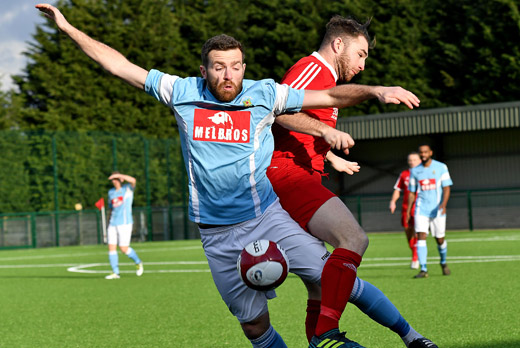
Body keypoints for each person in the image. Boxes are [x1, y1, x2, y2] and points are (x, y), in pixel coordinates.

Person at [36, 4, 418, 347]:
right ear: (204, 70)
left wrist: (376, 90)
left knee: (338, 281)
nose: (227, 74)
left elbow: (331, 98)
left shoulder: (264, 94)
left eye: (235, 65)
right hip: (216, 234)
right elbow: (119, 66)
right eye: (218, 67)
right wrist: (68, 28)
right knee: (255, 329)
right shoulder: (181, 91)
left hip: (267, 218)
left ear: (244, 68)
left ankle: (387, 336)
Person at [269, 16, 437, 348]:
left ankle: (339, 337)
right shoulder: (311, 67)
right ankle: (326, 333)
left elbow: (297, 132)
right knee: (353, 239)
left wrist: (331, 157)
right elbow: (279, 111)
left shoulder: (325, 78)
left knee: (321, 284)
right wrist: (326, 131)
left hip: (303, 173)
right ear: (337, 44)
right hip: (285, 175)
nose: (362, 65)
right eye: (360, 55)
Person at [407, 144, 453, 278]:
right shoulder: (415, 171)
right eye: (421, 152)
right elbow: (411, 192)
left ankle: (443, 262)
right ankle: (423, 269)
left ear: (430, 153)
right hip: (421, 209)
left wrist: (443, 204)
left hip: (437, 209)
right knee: (421, 236)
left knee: (440, 239)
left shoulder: (441, 167)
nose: (423, 154)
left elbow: (446, 188)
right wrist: (410, 210)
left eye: (425, 152)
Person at [105, 172, 143, 279]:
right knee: (111, 247)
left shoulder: (127, 189)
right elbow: (111, 208)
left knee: (123, 248)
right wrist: (108, 222)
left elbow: (133, 180)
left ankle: (138, 262)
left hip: (125, 223)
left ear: (121, 179)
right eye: (112, 180)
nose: (114, 181)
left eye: (116, 179)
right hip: (113, 223)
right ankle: (115, 272)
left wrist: (120, 175)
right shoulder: (111, 192)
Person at [390, 152, 422, 269]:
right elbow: (397, 190)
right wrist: (393, 201)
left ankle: (415, 257)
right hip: (406, 208)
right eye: (410, 160)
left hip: (420, 207)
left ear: (419, 160)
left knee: (417, 232)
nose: (412, 162)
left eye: (414, 160)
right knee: (408, 234)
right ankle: (415, 253)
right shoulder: (404, 174)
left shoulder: (424, 173)